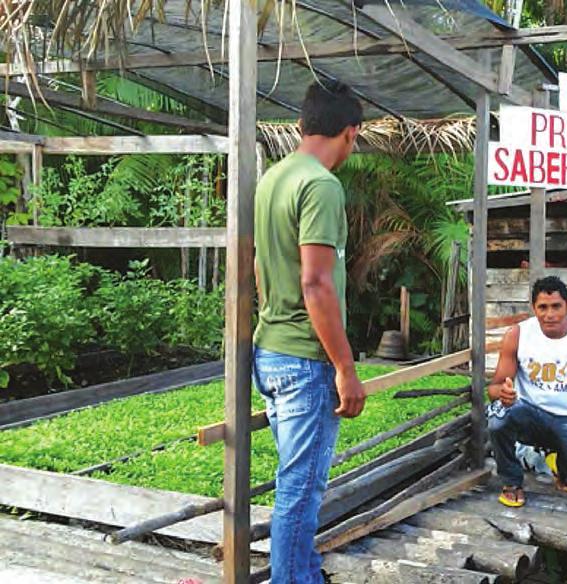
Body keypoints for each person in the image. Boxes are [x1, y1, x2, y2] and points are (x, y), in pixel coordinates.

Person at [252, 81, 366, 584]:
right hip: (305, 359)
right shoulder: (320, 185)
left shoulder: (273, 178)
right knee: (300, 489)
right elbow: (316, 281)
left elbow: (260, 265)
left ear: (302, 125)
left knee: (295, 483)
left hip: (270, 349)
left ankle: (303, 573)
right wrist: (345, 367)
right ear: (349, 133)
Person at [487, 276, 567, 507]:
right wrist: (502, 394)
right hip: (530, 414)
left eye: (556, 306)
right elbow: (494, 387)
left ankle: (553, 463)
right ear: (533, 308)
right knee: (498, 417)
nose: (549, 314)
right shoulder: (517, 335)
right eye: (542, 307)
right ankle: (512, 482)